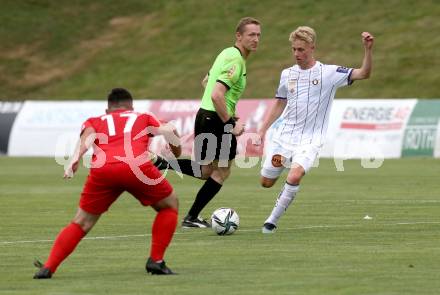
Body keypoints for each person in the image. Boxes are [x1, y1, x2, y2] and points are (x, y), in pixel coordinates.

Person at [33, 88, 182, 278]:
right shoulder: (142, 116)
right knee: (169, 205)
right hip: (136, 166)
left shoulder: (96, 120)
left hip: (103, 169)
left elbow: (88, 136)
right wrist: (176, 152)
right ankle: (156, 261)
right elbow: (170, 129)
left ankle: (48, 267)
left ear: (107, 110)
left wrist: (74, 158)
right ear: (131, 107)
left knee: (82, 222)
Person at [256, 26, 374, 233]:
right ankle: (275, 193)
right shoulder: (287, 74)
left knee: (294, 176)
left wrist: (368, 50)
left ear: (312, 48)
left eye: (301, 49)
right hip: (284, 138)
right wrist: (262, 130)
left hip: (310, 140)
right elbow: (279, 103)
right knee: (266, 182)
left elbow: (364, 73)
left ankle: (271, 222)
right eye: (294, 49)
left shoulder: (329, 73)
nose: (297, 54)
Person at [153, 17, 261, 228]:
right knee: (221, 172)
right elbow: (216, 95)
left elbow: (206, 82)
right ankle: (191, 217)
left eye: (258, 35)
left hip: (205, 116)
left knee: (205, 171)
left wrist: (227, 110)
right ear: (238, 36)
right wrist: (230, 122)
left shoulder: (226, 53)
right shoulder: (236, 60)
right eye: (251, 35)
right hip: (216, 121)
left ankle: (163, 163)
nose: (256, 39)